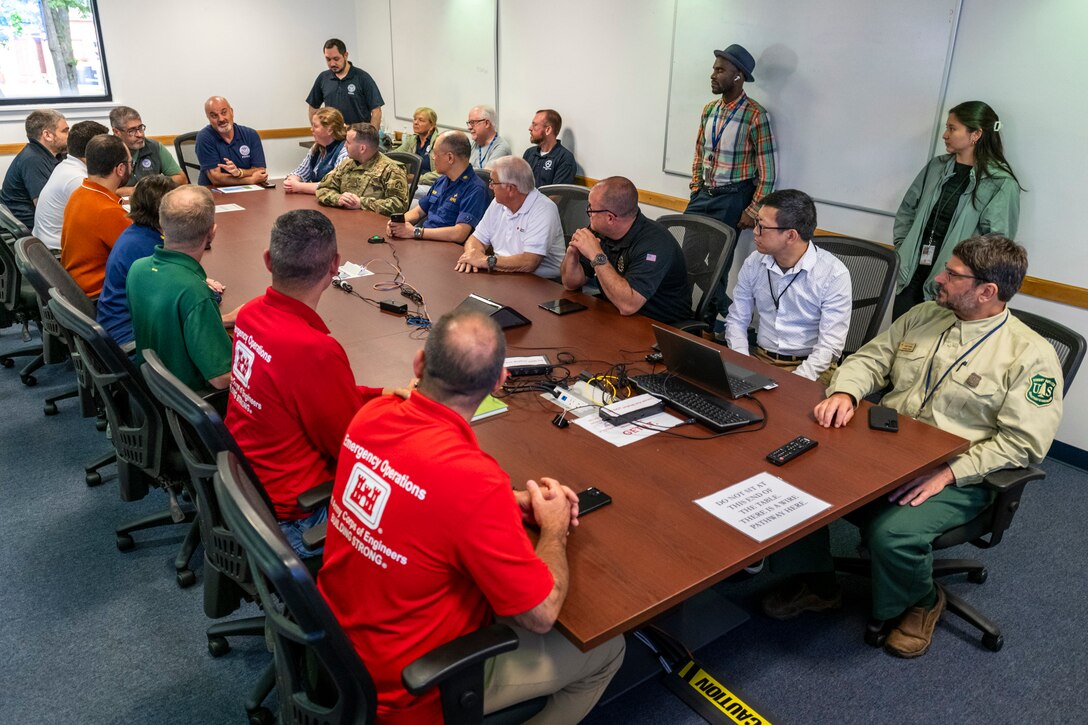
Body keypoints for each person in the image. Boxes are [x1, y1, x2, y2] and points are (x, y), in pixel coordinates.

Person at [763, 234, 1063, 659]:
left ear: (987, 291)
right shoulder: (924, 315)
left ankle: (921, 602)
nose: (937, 277)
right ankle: (816, 582)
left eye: (952, 274)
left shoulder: (1030, 355)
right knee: (791, 475)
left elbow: (1024, 443)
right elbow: (870, 359)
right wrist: (846, 393)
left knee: (892, 534)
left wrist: (948, 473)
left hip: (960, 472)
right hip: (886, 447)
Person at [318, 309, 625, 723]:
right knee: (608, 650)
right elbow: (541, 614)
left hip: (336, 643)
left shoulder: (371, 416)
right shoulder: (474, 481)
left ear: (419, 364)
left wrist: (504, 502)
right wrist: (553, 529)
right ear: (499, 382)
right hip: (410, 687)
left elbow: (420, 499)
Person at [226, 210, 406, 558]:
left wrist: (378, 394)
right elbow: (351, 447)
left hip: (250, 489)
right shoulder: (314, 350)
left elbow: (301, 394)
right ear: (334, 265)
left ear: (268, 260)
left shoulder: (249, 315)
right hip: (297, 518)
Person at [892, 101, 1021, 319]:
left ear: (976, 134)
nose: (945, 134)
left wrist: (966, 276)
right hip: (912, 273)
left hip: (954, 284)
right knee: (902, 341)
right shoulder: (936, 167)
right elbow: (907, 209)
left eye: (952, 128)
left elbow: (997, 245)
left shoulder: (1000, 183)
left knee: (934, 348)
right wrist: (903, 246)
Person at [723, 189, 851, 385]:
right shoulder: (755, 262)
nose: (755, 231)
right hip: (760, 358)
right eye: (756, 222)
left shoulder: (833, 274)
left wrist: (795, 381)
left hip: (812, 367)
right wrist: (743, 361)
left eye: (762, 226)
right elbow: (737, 320)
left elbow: (829, 346)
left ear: (791, 235)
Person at [686, 44, 776, 319]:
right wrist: (694, 187)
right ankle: (691, 314)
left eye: (720, 70)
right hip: (703, 194)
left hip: (732, 197)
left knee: (717, 267)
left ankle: (708, 325)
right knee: (685, 260)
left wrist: (752, 211)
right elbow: (700, 152)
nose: (713, 74)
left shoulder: (755, 115)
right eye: (714, 69)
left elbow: (768, 173)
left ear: (738, 76)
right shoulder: (709, 109)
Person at [127, 186, 234, 393]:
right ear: (212, 233)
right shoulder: (194, 292)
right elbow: (221, 379)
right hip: (191, 401)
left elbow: (170, 321)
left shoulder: (138, 269)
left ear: (161, 226)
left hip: (157, 389)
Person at [560, 176, 691, 322]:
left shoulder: (655, 244)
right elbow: (570, 284)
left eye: (591, 208)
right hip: (615, 315)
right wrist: (572, 254)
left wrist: (596, 255)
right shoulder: (598, 230)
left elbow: (628, 305)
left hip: (659, 327)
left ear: (610, 218)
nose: (588, 212)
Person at [96, 176, 178, 346]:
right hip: (130, 339)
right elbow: (176, 304)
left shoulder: (137, 233)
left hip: (117, 325)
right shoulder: (150, 249)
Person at [455, 156, 565, 279]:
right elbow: (476, 239)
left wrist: (485, 261)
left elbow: (530, 262)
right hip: (503, 273)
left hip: (541, 283)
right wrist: (472, 255)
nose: (490, 186)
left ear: (510, 188)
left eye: (493, 182)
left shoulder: (544, 209)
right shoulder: (498, 203)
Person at [59, 135, 133, 297]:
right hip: (100, 295)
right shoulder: (108, 211)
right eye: (130, 162)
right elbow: (140, 254)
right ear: (120, 169)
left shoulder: (79, 193)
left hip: (76, 287)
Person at [387, 131, 489, 244]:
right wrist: (397, 224)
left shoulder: (475, 189)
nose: (433, 158)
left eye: (435, 154)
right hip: (425, 241)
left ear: (450, 157)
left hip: (447, 249)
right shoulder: (442, 181)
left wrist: (416, 232)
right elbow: (418, 211)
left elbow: (459, 233)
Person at [32, 120, 109, 251]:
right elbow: (101, 221)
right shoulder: (78, 179)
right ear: (95, 151)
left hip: (45, 248)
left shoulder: (65, 166)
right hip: (58, 253)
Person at [316, 123, 408, 215]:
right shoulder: (346, 165)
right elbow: (322, 188)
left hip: (376, 224)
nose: (345, 146)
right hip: (346, 218)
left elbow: (399, 205)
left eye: (348, 142)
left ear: (362, 148)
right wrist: (338, 198)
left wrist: (361, 203)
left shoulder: (391, 170)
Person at [1, 109, 70, 229]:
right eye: (65, 131)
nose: (69, 136)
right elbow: (46, 209)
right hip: (32, 231)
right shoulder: (33, 159)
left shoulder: (54, 154)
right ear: (47, 135)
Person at [305, 38, 384, 127]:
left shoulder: (362, 78)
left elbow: (376, 111)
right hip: (333, 137)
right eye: (328, 59)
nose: (332, 64)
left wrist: (371, 138)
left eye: (336, 59)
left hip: (358, 137)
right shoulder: (323, 78)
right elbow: (313, 107)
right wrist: (316, 130)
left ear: (345, 55)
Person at [109, 105, 187, 194]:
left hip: (150, 203)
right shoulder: (105, 151)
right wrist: (135, 191)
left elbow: (181, 178)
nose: (140, 134)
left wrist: (152, 186)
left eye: (140, 128)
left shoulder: (154, 147)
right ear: (116, 132)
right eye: (132, 131)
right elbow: (101, 189)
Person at [195, 96, 268, 187]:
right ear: (208, 118)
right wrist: (250, 179)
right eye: (214, 116)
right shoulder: (204, 137)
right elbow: (216, 178)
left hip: (249, 190)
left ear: (231, 112)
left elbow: (260, 171)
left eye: (224, 112)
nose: (221, 119)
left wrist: (240, 172)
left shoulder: (251, 134)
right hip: (214, 192)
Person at [283, 107, 349, 195]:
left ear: (329, 130)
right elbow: (300, 172)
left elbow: (333, 185)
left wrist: (299, 186)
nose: (311, 129)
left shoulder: (345, 150)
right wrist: (292, 181)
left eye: (315, 126)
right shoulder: (317, 147)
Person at [522, 109, 576, 187]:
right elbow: (520, 183)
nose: (530, 128)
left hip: (544, 199)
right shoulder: (529, 153)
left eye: (535, 125)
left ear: (548, 130)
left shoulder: (565, 158)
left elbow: (556, 195)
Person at [393, 106, 439, 186]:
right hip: (412, 182)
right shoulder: (412, 140)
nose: (415, 122)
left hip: (430, 185)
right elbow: (395, 155)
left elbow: (442, 173)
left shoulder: (439, 142)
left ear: (431, 125)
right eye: (415, 119)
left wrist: (418, 178)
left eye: (421, 120)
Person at [466, 104, 512, 170]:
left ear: (487, 123)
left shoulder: (501, 148)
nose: (469, 127)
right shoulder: (472, 144)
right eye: (469, 123)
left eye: (473, 123)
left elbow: (486, 176)